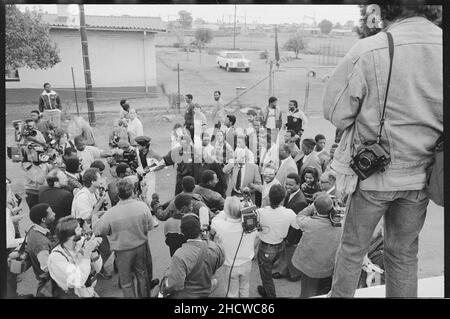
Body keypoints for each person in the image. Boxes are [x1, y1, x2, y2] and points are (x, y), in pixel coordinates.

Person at [323, 5, 442, 298]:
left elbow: (336, 113)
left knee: (352, 250)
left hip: (375, 176)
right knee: (403, 255)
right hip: (423, 178)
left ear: (385, 9)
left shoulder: (369, 49)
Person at [93, 179, 156, 297]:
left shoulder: (110, 213)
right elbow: (150, 226)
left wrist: (95, 217)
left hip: (122, 252)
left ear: (118, 195)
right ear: (132, 192)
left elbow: (99, 230)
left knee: (126, 282)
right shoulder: (142, 206)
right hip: (140, 247)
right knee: (142, 276)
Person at [292, 193, 342, 298]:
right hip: (328, 269)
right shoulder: (340, 225)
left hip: (309, 269)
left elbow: (300, 215)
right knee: (323, 294)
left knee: (307, 294)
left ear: (315, 208)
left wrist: (312, 206)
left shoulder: (309, 223)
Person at [163, 214, 225, 298]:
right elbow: (220, 262)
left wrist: (166, 283)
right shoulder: (214, 247)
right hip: (207, 287)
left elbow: (176, 285)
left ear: (182, 232)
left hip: (188, 294)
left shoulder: (179, 255)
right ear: (200, 229)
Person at [256, 184, 300, 298]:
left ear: (269, 198)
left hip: (266, 248)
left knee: (266, 275)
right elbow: (297, 226)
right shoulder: (289, 212)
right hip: (280, 246)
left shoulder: (260, 212)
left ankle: (270, 295)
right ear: (283, 198)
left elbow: (252, 227)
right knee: (268, 271)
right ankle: (267, 289)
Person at [211, 197, 258, 297]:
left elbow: (215, 220)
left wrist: (227, 210)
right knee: (245, 287)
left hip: (230, 266)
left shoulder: (220, 225)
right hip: (246, 263)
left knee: (232, 293)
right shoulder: (251, 226)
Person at [48, 216, 103, 298]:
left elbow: (98, 269)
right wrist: (87, 253)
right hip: (73, 295)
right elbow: (78, 281)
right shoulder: (56, 258)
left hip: (88, 291)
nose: (81, 229)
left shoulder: (79, 242)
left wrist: (94, 250)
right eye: (78, 229)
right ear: (70, 236)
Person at [272, 173, 308, 282]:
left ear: (298, 184)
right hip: (288, 231)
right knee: (286, 255)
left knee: (290, 254)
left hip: (293, 234)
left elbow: (297, 224)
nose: (287, 186)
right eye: (286, 184)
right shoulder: (290, 193)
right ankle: (285, 272)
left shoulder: (300, 201)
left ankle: (294, 275)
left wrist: (290, 239)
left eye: (291, 185)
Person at [25, 203, 57, 297]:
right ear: (43, 219)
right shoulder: (41, 244)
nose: (54, 214)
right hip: (50, 282)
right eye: (51, 214)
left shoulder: (34, 228)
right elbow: (47, 267)